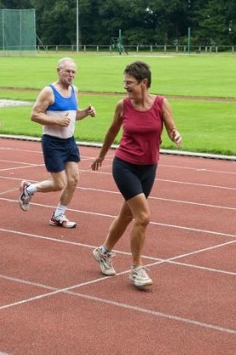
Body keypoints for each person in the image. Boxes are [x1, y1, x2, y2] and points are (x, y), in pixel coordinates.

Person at [90, 61, 182, 289]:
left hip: (149, 167)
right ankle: (136, 268)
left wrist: (175, 135)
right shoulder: (123, 105)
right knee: (143, 217)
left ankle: (103, 252)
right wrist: (101, 155)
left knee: (127, 215)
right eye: (124, 83)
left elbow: (171, 127)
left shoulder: (161, 103)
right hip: (125, 166)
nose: (125, 87)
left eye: (129, 83)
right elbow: (112, 131)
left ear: (144, 83)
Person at [18, 57, 96, 228]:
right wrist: (57, 122)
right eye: (67, 71)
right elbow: (35, 115)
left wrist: (86, 112)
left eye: (73, 72)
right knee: (59, 183)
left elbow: (74, 115)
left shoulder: (74, 90)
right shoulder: (49, 91)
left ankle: (58, 215)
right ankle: (29, 189)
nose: (71, 75)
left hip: (69, 142)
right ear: (58, 71)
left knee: (74, 180)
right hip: (52, 143)